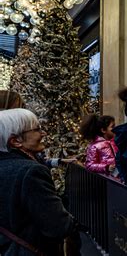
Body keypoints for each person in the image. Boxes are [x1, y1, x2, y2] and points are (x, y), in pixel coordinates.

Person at [0, 108, 76, 255]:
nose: (43, 133)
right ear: (16, 141)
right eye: (37, 129)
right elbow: (58, 226)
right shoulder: (31, 171)